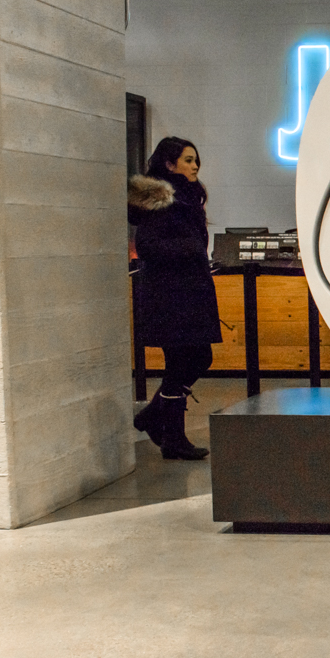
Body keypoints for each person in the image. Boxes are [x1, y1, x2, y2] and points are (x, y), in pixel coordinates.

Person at [127, 137, 221, 460]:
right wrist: (190, 249)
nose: (195, 166)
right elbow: (148, 245)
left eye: (196, 160)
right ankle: (169, 433)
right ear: (169, 164)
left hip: (188, 292)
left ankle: (158, 422)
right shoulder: (162, 200)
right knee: (186, 361)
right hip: (171, 296)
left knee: (194, 359)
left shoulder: (187, 197)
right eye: (188, 160)